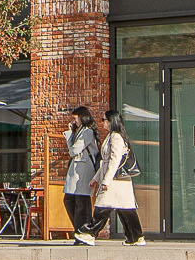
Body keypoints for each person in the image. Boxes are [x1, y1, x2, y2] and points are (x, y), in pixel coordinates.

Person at [89, 114, 145, 246]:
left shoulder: (116, 137)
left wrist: (106, 181)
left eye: (104, 120)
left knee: (103, 207)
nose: (102, 122)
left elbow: (114, 160)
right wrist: (96, 178)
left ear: (111, 121)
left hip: (115, 179)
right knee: (125, 209)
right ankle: (135, 236)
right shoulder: (112, 136)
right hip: (117, 180)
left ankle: (89, 233)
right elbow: (106, 162)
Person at [62, 105, 100, 246]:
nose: (74, 121)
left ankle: (83, 233)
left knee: (81, 203)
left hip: (84, 171)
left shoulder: (87, 132)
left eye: (76, 118)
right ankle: (80, 231)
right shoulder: (81, 131)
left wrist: (69, 136)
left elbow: (74, 151)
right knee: (70, 200)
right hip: (77, 170)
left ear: (82, 117)